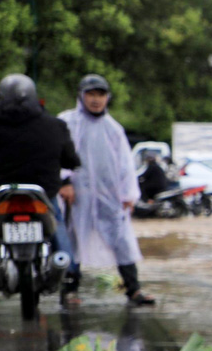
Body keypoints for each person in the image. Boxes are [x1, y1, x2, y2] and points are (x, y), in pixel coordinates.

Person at [0, 75, 80, 291]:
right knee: (57, 224)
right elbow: (71, 160)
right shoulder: (55, 125)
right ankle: (70, 271)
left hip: (0, 191)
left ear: (1, 97)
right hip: (43, 191)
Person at [60, 75, 153, 305]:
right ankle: (69, 290)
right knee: (72, 238)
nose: (95, 100)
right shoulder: (66, 122)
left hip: (108, 195)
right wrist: (63, 182)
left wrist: (129, 194)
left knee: (121, 239)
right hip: (76, 194)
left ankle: (133, 290)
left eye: (100, 95)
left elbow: (125, 164)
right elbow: (55, 155)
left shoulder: (113, 129)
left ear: (107, 98)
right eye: (91, 94)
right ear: (81, 96)